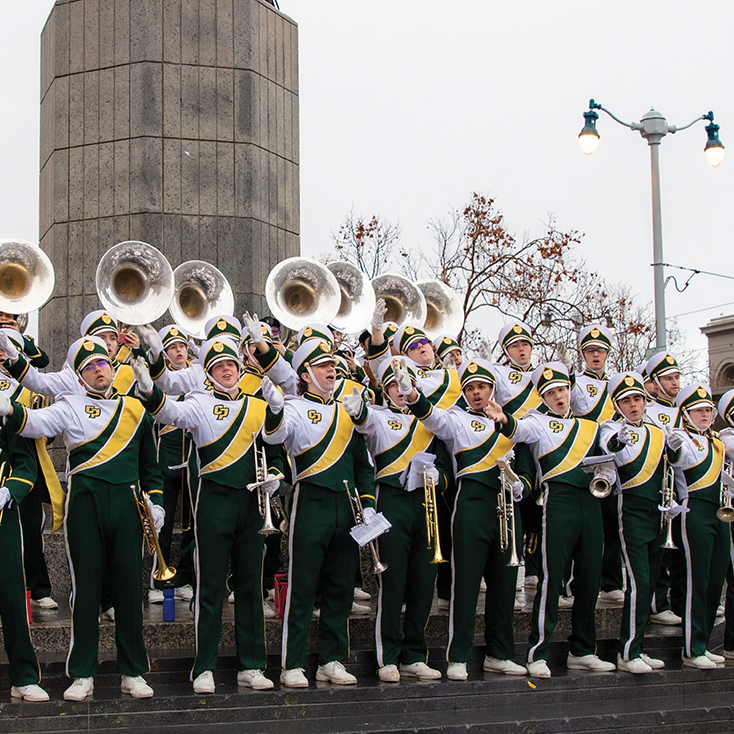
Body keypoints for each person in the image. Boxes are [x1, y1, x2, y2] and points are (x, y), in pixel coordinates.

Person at [0, 336, 163, 701]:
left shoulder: (135, 408)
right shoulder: (69, 404)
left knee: (128, 590)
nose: (98, 370)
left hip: (127, 503)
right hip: (85, 504)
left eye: (102, 363)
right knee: (86, 590)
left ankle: (133, 670)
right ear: (79, 375)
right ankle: (82, 672)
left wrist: (159, 505)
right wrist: (11, 411)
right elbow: (36, 423)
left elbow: (151, 468)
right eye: (89, 366)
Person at [133, 336, 282, 694]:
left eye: (231, 364)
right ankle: (204, 668)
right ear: (209, 374)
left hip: (252, 506)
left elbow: (274, 446)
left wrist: (276, 470)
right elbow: (169, 412)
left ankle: (252, 665)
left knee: (249, 587)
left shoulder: (258, 404)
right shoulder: (198, 402)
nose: (226, 370)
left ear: (240, 368)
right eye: (218, 367)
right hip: (213, 503)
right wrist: (149, 390)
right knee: (210, 587)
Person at [485, 362, 616, 678]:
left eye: (562, 390)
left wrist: (606, 474)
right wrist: (503, 419)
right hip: (558, 502)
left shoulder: (591, 426)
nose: (558, 396)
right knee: (550, 580)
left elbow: (610, 462)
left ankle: (583, 650)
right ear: (542, 397)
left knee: (589, 580)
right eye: (551, 392)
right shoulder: (537, 422)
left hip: (591, 502)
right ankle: (537, 652)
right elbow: (518, 430)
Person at [399, 357, 527, 680]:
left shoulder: (513, 423)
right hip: (470, 504)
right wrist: (413, 396)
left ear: (492, 388)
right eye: (469, 388)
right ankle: (458, 656)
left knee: (504, 585)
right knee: (466, 585)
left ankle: (500, 653)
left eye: (481, 386)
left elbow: (528, 471)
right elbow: (434, 417)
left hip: (506, 508)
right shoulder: (457, 420)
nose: (475, 393)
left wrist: (519, 483)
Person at [260, 339, 376, 688]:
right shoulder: (294, 406)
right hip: (310, 501)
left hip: (346, 504)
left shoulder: (348, 409)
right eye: (323, 366)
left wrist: (368, 504)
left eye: (334, 365)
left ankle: (332, 659)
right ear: (306, 375)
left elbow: (363, 465)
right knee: (303, 586)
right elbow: (274, 436)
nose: (332, 370)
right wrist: (276, 408)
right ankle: (292, 664)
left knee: (341, 587)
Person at [342, 358, 451, 682]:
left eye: (404, 386)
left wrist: (437, 476)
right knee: (393, 583)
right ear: (386, 391)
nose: (399, 392)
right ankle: (387, 656)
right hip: (391, 499)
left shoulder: (431, 421)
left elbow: (447, 468)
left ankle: (414, 654)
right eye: (392, 386)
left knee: (422, 583)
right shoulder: (379, 416)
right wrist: (358, 407)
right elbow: (363, 422)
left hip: (425, 502)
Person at [599, 372, 669, 674]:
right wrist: (617, 441)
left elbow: (672, 466)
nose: (634, 405)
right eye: (626, 400)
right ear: (617, 404)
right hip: (632, 513)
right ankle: (627, 652)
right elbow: (607, 445)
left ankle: (638, 646)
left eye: (638, 399)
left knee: (650, 583)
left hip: (660, 512)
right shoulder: (611, 427)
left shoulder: (657, 432)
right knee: (639, 583)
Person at [667, 384, 727, 669]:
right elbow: (676, 457)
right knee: (697, 581)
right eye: (697, 410)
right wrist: (673, 443)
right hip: (694, 512)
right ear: (686, 413)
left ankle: (703, 641)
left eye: (707, 410)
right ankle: (692, 649)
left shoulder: (717, 441)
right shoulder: (681, 437)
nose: (704, 415)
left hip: (720, 513)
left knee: (715, 581)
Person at [144, 325, 195, 605]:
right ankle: (157, 580)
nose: (178, 351)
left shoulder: (199, 377)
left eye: (182, 347)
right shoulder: (160, 380)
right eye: (173, 347)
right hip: (166, 459)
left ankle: (186, 578)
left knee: (190, 526)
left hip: (192, 462)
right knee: (160, 523)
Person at [0, 424, 50, 702]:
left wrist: (8, 492)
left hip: (2, 515)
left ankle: (23, 677)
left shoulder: (5, 414)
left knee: (12, 598)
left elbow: (26, 464)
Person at [644, 351, 684, 627]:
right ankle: (658, 602)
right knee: (659, 547)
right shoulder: (649, 411)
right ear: (655, 382)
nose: (675, 383)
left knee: (681, 551)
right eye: (668, 378)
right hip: (658, 485)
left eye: (677, 377)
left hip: (683, 486)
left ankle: (680, 603)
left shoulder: (685, 410)